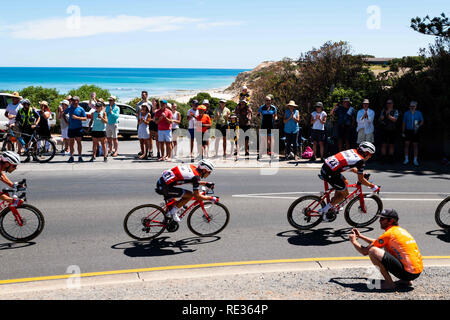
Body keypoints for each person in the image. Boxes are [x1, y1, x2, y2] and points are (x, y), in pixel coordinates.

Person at [349, 209, 423, 290]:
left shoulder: (389, 234)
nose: (379, 221)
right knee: (384, 247)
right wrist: (361, 236)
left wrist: (353, 241)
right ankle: (406, 281)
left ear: (390, 221)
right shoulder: (399, 231)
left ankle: (389, 283)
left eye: (382, 219)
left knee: (372, 251)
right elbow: (378, 242)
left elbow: (364, 252)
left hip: (407, 273)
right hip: (416, 272)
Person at [318, 141, 379, 221]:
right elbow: (361, 180)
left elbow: (350, 167)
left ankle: (334, 203)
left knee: (345, 182)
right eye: (370, 154)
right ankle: (324, 210)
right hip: (331, 173)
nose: (370, 157)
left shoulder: (353, 151)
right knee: (345, 194)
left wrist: (361, 173)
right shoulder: (361, 161)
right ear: (366, 153)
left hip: (326, 167)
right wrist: (373, 186)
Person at [64, 96, 87, 163]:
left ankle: (80, 156)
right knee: (71, 143)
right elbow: (63, 113)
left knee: (79, 142)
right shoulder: (69, 108)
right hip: (71, 128)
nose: (74, 102)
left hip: (78, 128)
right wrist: (66, 121)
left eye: (75, 100)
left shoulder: (81, 109)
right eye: (73, 100)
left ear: (78, 101)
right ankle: (71, 156)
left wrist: (77, 118)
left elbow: (85, 118)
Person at [402, 101, 424, 166]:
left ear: (416, 107)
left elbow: (422, 121)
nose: (412, 107)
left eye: (413, 106)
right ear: (409, 106)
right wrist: (403, 132)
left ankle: (415, 160)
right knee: (406, 145)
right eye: (411, 106)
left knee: (415, 145)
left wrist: (418, 125)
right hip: (408, 130)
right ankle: (406, 159)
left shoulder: (419, 113)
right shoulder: (406, 113)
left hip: (415, 131)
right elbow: (404, 123)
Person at [378, 99, 399, 164]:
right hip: (384, 130)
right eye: (388, 103)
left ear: (393, 104)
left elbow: (395, 120)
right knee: (383, 145)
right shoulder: (383, 110)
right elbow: (380, 119)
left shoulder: (395, 111)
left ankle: (391, 159)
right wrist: (384, 116)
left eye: (390, 103)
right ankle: (383, 159)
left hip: (392, 130)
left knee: (391, 145)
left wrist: (388, 115)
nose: (389, 104)